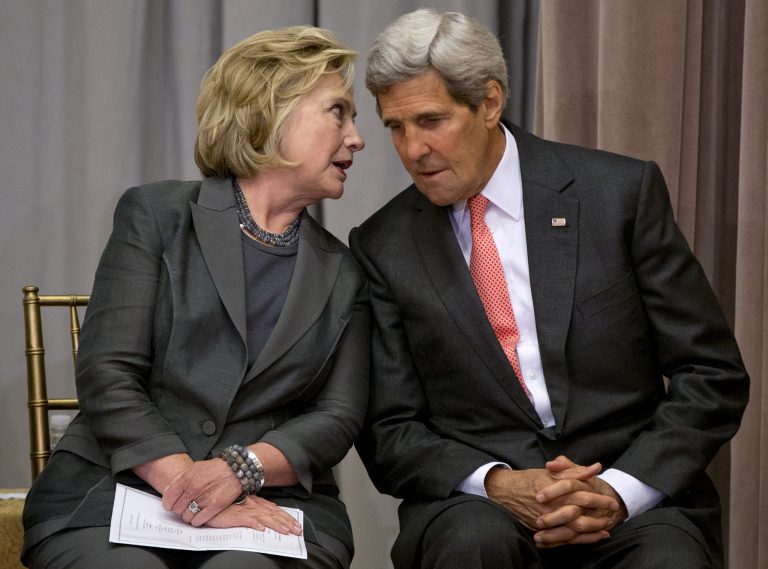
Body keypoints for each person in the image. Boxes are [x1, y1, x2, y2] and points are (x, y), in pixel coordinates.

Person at [349, 8, 749, 569]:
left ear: (489, 103)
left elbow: (711, 375)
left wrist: (618, 491)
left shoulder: (617, 195)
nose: (413, 149)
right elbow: (389, 428)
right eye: (395, 126)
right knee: (471, 547)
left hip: (631, 495)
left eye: (431, 120)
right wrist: (497, 484)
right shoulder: (382, 244)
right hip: (480, 508)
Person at [22, 25, 368, 569]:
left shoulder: (347, 269)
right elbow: (108, 373)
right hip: (117, 491)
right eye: (338, 112)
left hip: (268, 504)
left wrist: (237, 471)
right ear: (270, 111)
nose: (356, 138)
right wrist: (191, 484)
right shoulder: (155, 215)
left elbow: (338, 415)